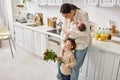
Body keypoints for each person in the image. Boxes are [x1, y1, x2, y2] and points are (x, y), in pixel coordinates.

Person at [57, 3, 92, 80]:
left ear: (72, 11)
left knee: (75, 66)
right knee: (61, 60)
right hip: (69, 41)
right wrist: (63, 43)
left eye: (66, 16)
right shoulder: (66, 17)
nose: (65, 18)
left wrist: (71, 32)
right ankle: (61, 78)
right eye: (64, 16)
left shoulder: (83, 14)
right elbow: (63, 30)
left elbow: (86, 32)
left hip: (81, 43)